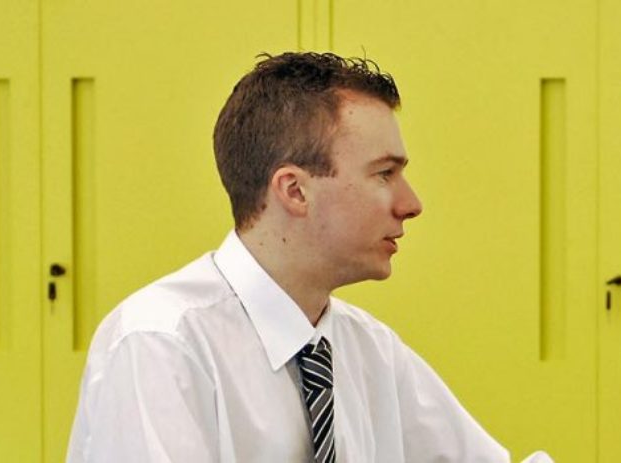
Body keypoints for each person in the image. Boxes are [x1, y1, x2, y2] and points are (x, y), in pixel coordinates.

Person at [67, 52, 508, 462]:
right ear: (295, 190)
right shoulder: (161, 343)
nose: (411, 204)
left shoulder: (370, 351)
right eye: (384, 174)